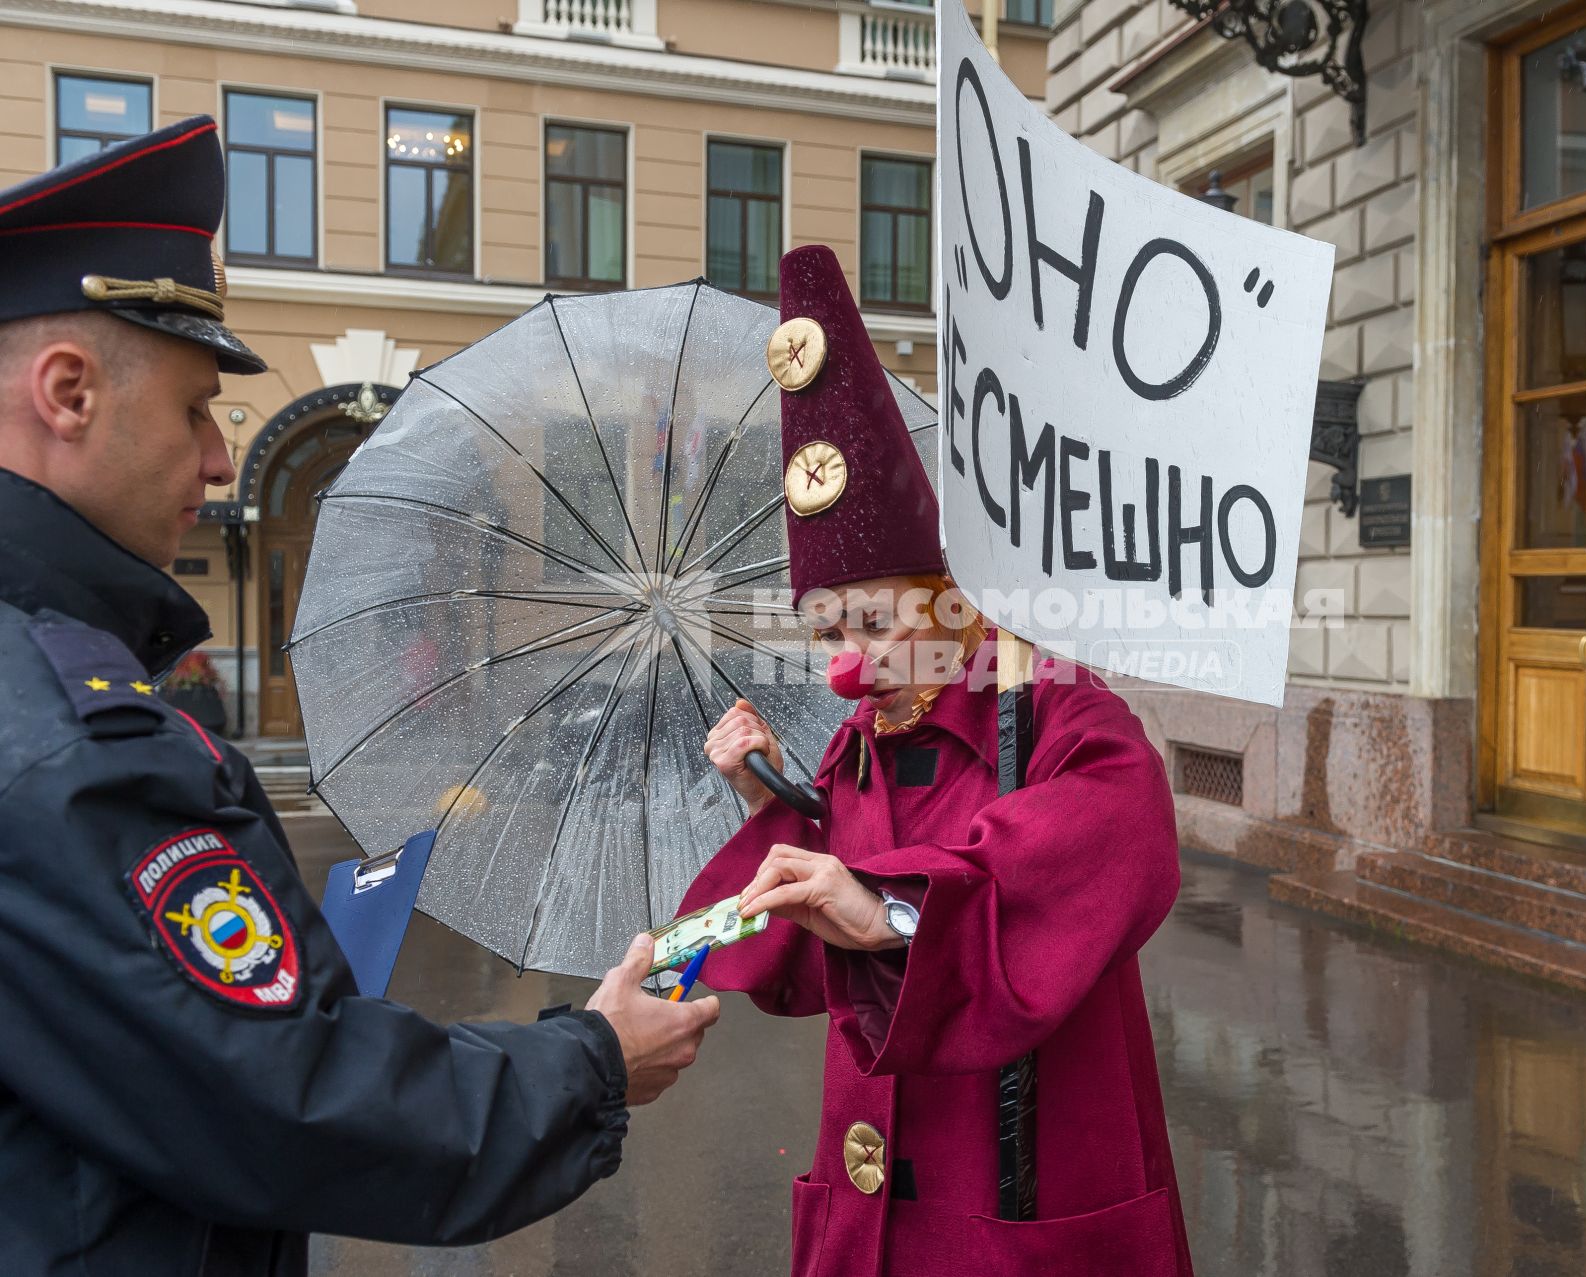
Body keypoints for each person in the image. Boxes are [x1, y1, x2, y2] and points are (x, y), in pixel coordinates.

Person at [0, 117, 719, 1276]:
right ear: (69, 392)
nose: (221, 460)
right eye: (195, 408)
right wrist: (592, 1055)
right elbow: (283, 1101)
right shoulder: (69, 740)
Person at [681, 244, 1193, 1276]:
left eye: (871, 619)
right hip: (871, 1211)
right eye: (824, 632)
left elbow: (1123, 836)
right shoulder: (860, 746)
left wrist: (894, 908)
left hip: (1022, 1199)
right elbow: (812, 935)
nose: (846, 663)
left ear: (948, 598)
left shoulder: (1055, 705)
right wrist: (767, 800)